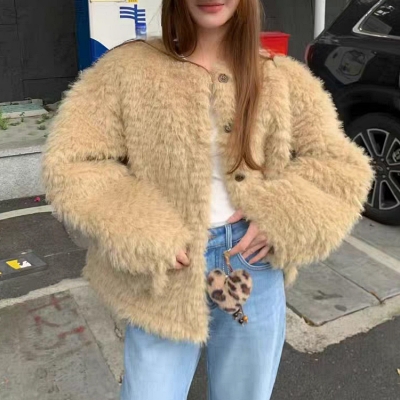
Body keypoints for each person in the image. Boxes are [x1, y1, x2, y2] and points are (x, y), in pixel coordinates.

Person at [42, 0, 373, 399]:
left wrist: (282, 214)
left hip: (251, 266)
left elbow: (339, 165)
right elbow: (74, 160)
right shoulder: (126, 70)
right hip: (164, 269)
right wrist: (143, 229)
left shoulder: (280, 77)